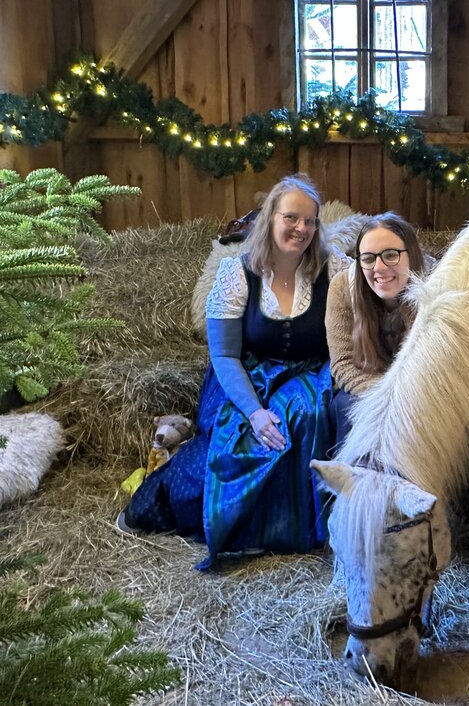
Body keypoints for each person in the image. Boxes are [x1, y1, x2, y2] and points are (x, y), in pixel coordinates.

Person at [121, 173, 347, 570]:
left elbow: (362, 313)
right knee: (242, 444)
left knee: (306, 417)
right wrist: (255, 412)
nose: (302, 229)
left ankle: (293, 531)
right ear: (271, 217)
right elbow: (225, 357)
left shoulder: (334, 271)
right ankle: (198, 511)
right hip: (246, 375)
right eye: (292, 218)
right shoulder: (236, 274)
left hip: (311, 373)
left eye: (310, 221)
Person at [325, 212, 427, 443]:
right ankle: (352, 476)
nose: (379, 268)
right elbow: (342, 363)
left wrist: (405, 399)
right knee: (346, 407)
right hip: (366, 383)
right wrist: (386, 397)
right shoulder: (342, 287)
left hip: (418, 389)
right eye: (369, 258)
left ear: (411, 254)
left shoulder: (433, 286)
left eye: (391, 255)